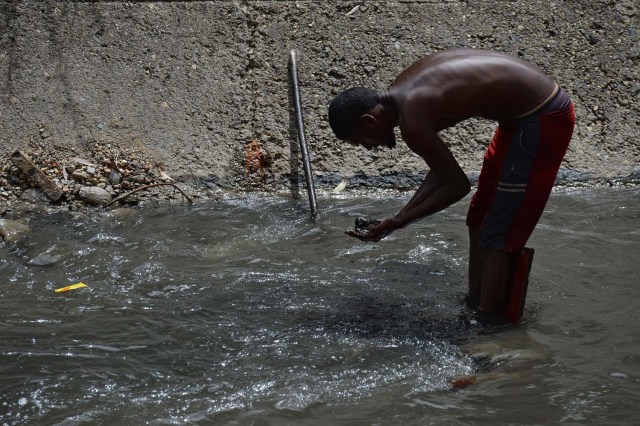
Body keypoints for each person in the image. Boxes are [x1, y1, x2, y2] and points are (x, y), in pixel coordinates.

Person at [328, 48, 575, 317]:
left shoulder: (412, 118)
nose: (368, 147)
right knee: (479, 218)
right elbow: (441, 171)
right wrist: (398, 217)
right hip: (519, 120)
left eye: (362, 141)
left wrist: (400, 222)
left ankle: (488, 330)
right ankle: (476, 305)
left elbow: (457, 185)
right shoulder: (401, 95)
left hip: (543, 118)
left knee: (499, 233)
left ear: (369, 120)